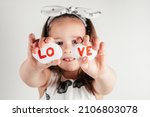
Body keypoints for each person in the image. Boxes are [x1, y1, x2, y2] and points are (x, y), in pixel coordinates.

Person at [19, 6, 116, 100]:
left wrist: (100, 73)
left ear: (89, 42)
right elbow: (29, 79)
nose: (67, 49)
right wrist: (33, 66)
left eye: (75, 42)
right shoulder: (47, 78)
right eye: (59, 43)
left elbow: (107, 87)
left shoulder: (94, 81)